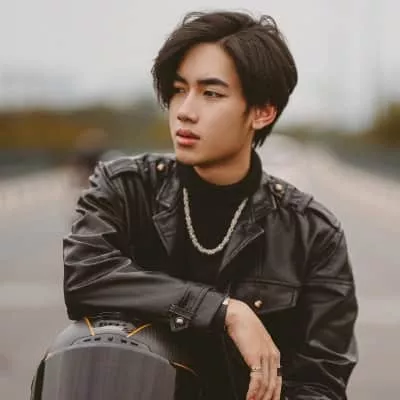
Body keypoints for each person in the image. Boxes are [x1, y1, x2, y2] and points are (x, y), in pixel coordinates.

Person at [63, 10, 358, 400]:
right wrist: (224, 311)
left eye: (211, 93)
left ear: (262, 111)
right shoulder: (125, 188)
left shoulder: (313, 234)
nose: (185, 110)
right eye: (178, 89)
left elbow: (321, 384)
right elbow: (85, 276)